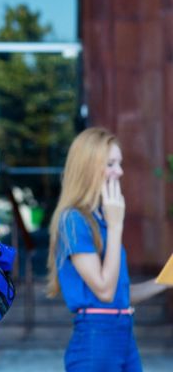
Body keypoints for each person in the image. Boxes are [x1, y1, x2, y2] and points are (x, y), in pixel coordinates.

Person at [47, 127, 169, 371]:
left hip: (123, 333)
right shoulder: (74, 220)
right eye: (111, 163)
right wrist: (116, 226)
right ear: (89, 167)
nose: (120, 172)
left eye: (119, 163)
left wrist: (166, 280)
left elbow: (117, 293)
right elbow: (103, 290)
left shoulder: (102, 220)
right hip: (96, 338)